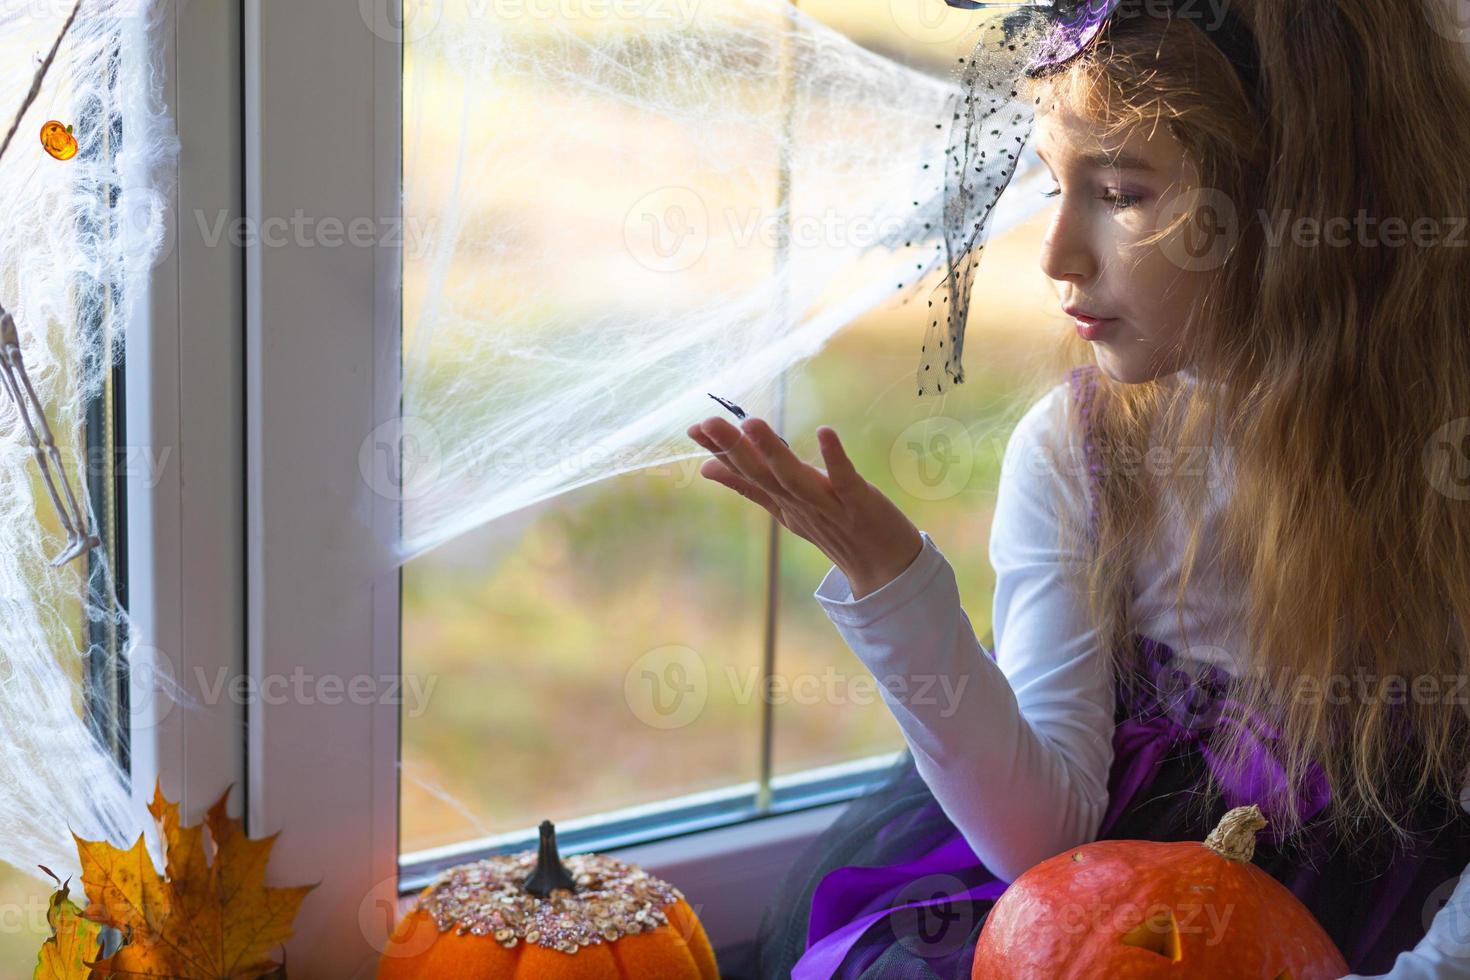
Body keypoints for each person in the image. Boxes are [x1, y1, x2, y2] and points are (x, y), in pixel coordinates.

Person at [686, 1, 1470, 976]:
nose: (1056, 253)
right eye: (1055, 185)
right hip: (1104, 921)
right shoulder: (1080, 449)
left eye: (1122, 192)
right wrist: (892, 579)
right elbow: (1047, 843)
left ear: (1294, 208)